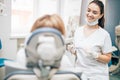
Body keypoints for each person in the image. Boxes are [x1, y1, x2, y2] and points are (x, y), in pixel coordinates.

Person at [70, 0, 112, 80]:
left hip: (97, 75)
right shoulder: (78, 31)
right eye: (88, 10)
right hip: (80, 73)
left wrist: (96, 55)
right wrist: (73, 51)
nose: (89, 14)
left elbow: (108, 58)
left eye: (94, 12)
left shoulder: (104, 35)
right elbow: (80, 54)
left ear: (101, 15)